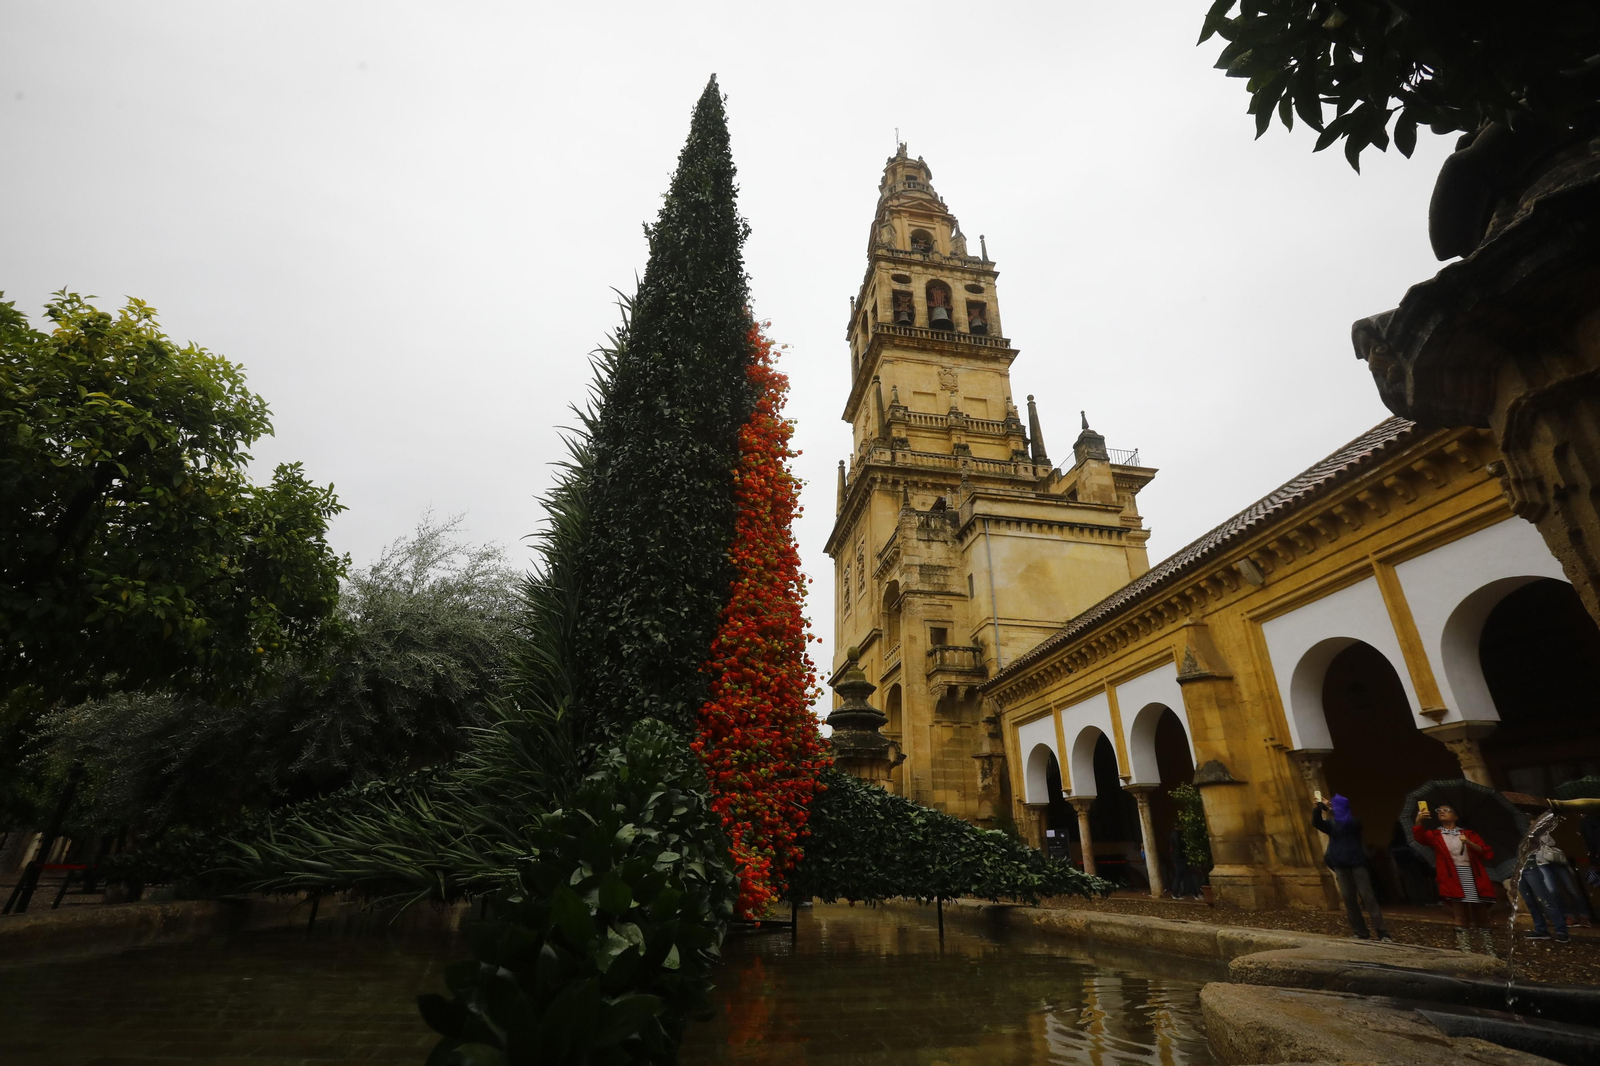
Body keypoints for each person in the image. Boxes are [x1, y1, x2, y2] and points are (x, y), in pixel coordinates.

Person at [1413, 803, 1497, 955]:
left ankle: (1489, 950)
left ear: (1455, 817)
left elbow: (1486, 853)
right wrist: (1419, 821)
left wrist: (1469, 843)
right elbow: (1420, 838)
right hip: (1452, 877)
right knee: (1461, 914)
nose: (1441, 812)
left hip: (1473, 875)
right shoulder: (1436, 835)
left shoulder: (1469, 834)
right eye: (1439, 811)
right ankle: (1466, 951)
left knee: (1481, 914)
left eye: (1446, 810)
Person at [1313, 795, 1393, 942]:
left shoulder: (1354, 823)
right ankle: (1360, 932)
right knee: (1349, 899)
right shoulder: (1331, 825)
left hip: (1357, 864)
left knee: (1368, 897)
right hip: (1340, 865)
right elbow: (1317, 823)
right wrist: (1318, 808)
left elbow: (1345, 823)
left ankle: (1382, 932)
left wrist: (1329, 809)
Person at [1518, 824, 1572, 943]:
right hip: (1517, 869)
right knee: (1530, 901)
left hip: (1531, 867)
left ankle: (1561, 930)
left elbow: (1536, 845)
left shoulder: (1525, 829)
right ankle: (1541, 929)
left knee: (1545, 899)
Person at [1169, 825, 1200, 900]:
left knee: (1180, 875)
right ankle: (1195, 894)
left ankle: (1176, 893)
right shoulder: (1177, 834)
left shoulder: (1174, 834)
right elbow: (1178, 845)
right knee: (1186, 875)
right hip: (1180, 857)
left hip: (1178, 857)